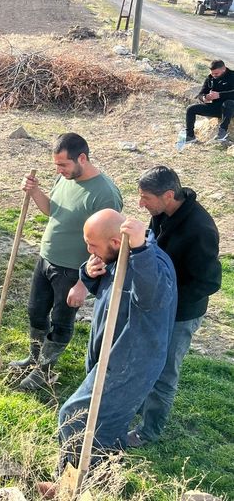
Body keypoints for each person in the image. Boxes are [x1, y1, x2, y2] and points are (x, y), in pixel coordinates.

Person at [57, 209, 176, 471]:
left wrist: (141, 251)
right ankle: (101, 477)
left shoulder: (151, 262)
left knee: (75, 418)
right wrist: (89, 273)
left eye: (92, 244)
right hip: (108, 353)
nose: (88, 249)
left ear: (114, 242)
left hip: (130, 363)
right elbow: (108, 290)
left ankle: (71, 483)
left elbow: (152, 298)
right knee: (105, 425)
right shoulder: (116, 256)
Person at [9, 133, 123, 391]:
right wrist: (35, 191)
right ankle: (34, 358)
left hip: (72, 269)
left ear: (82, 158)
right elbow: (53, 210)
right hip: (47, 258)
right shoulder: (64, 177)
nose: (59, 170)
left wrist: (84, 282)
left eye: (63, 165)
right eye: (56, 166)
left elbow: (109, 245)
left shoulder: (105, 194)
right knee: (35, 311)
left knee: (61, 321)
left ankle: (43, 371)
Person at [127, 166, 222, 447]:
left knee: (164, 372)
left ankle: (149, 431)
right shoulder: (162, 214)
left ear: (168, 195)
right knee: (145, 361)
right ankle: (138, 411)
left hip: (180, 315)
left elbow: (209, 282)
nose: (140, 203)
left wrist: (167, 296)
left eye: (146, 197)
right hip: (157, 306)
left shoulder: (200, 229)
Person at [184, 59, 234, 144]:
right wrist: (205, 98)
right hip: (217, 108)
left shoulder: (232, 75)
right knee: (190, 109)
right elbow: (200, 94)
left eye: (216, 73)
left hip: (231, 108)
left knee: (228, 103)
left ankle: (222, 133)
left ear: (223, 69)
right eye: (212, 73)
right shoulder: (210, 78)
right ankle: (190, 137)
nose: (214, 75)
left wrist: (220, 95)